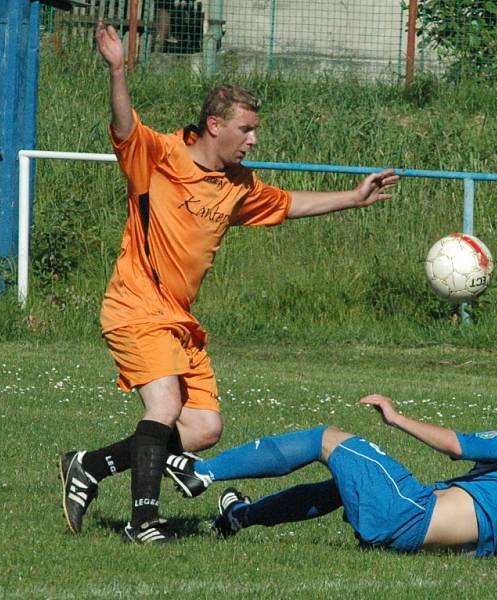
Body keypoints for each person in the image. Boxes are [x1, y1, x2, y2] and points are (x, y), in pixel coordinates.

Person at [58, 19, 399, 544]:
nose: (254, 139)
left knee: (201, 430)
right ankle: (144, 522)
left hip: (179, 319)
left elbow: (287, 205)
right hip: (135, 304)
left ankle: (89, 466)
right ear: (215, 126)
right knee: (165, 409)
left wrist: (353, 198)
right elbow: (125, 126)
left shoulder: (238, 185)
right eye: (246, 129)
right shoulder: (160, 157)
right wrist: (119, 69)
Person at [167, 395, 497, 557]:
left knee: (325, 439)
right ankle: (240, 516)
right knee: (342, 488)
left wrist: (397, 418)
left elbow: (457, 446)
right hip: (411, 540)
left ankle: (201, 471)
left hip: (408, 514)